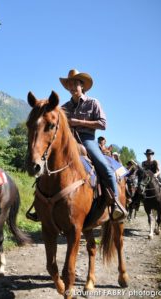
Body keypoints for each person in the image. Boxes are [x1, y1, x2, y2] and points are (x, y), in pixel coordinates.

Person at [60, 69, 127, 221]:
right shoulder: (63, 108)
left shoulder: (93, 102)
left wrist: (79, 122)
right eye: (69, 84)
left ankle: (116, 202)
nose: (72, 86)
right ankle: (42, 205)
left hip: (87, 139)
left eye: (75, 83)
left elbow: (103, 124)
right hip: (68, 141)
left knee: (106, 168)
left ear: (82, 86)